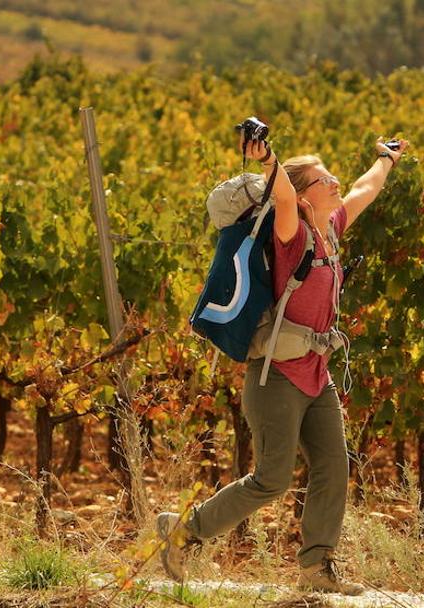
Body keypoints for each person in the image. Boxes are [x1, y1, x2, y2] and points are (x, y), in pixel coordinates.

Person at [157, 129, 409, 595]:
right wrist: (269, 160)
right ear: (303, 193)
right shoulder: (291, 235)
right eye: (323, 179)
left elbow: (364, 189)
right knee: (271, 479)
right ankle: (184, 531)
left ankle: (317, 569)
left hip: (316, 376)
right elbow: (285, 196)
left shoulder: (331, 228)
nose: (334, 182)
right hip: (276, 379)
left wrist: (385, 159)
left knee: (334, 468)